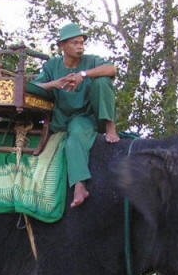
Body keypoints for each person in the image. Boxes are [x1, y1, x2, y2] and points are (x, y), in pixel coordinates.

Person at [29, 23, 120, 208]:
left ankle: (80, 185)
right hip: (62, 118)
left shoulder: (90, 61)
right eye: (75, 43)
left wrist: (83, 75)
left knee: (102, 82)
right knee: (69, 135)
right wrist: (55, 83)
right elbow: (34, 87)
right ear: (62, 45)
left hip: (86, 117)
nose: (80, 47)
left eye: (82, 43)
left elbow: (112, 70)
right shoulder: (52, 65)